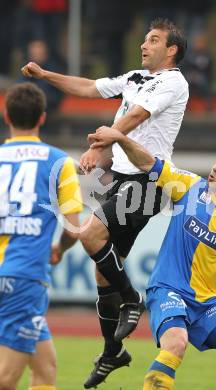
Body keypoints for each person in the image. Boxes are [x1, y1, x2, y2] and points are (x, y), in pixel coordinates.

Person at [21, 18, 189, 388]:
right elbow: (87, 86)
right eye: (145, 39)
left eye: (154, 40)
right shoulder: (133, 78)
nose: (145, 45)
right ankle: (113, 351)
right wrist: (45, 75)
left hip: (150, 180)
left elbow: (136, 116)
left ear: (171, 49)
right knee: (102, 270)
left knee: (89, 234)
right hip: (125, 181)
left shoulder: (173, 81)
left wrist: (100, 145)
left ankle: (132, 299)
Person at [92, 126, 216, 390]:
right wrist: (121, 139)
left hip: (206, 300)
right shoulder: (190, 185)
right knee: (176, 343)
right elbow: (148, 163)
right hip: (167, 290)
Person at [0, 82, 83, 390]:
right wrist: (59, 248)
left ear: (6, 115)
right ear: (43, 118)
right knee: (7, 378)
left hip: (10, 274)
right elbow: (74, 227)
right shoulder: (58, 161)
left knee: (45, 367)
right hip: (22, 277)